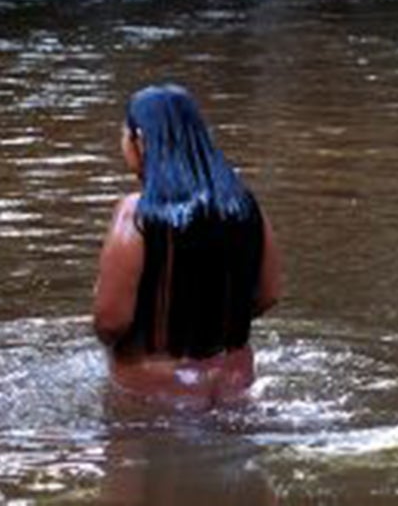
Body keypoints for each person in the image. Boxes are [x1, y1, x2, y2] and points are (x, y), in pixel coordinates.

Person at [92, 83, 281, 405]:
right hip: (236, 382)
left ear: (140, 140)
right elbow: (267, 295)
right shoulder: (244, 206)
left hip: (154, 392)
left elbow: (111, 321)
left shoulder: (135, 215)